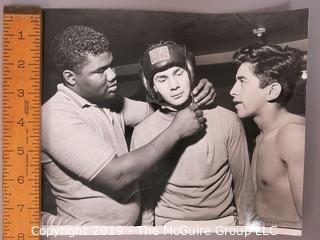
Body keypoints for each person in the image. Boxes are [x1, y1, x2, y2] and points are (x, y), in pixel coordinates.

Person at [41, 25, 216, 226]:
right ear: (71, 77)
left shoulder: (107, 101)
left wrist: (195, 94)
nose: (113, 75)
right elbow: (117, 176)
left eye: (111, 65)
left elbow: (159, 111)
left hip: (131, 228)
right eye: (100, 71)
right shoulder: (54, 117)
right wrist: (176, 131)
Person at [130, 42, 254, 227]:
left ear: (190, 73)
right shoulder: (143, 132)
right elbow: (145, 197)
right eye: (162, 79)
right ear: (153, 87)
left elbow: (244, 185)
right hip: (170, 226)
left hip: (223, 224)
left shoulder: (229, 120)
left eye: (178, 73)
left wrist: (249, 232)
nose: (174, 85)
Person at [230, 44, 305, 229]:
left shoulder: (292, 135)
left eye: (242, 81)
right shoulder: (261, 136)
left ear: (272, 91)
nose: (232, 91)